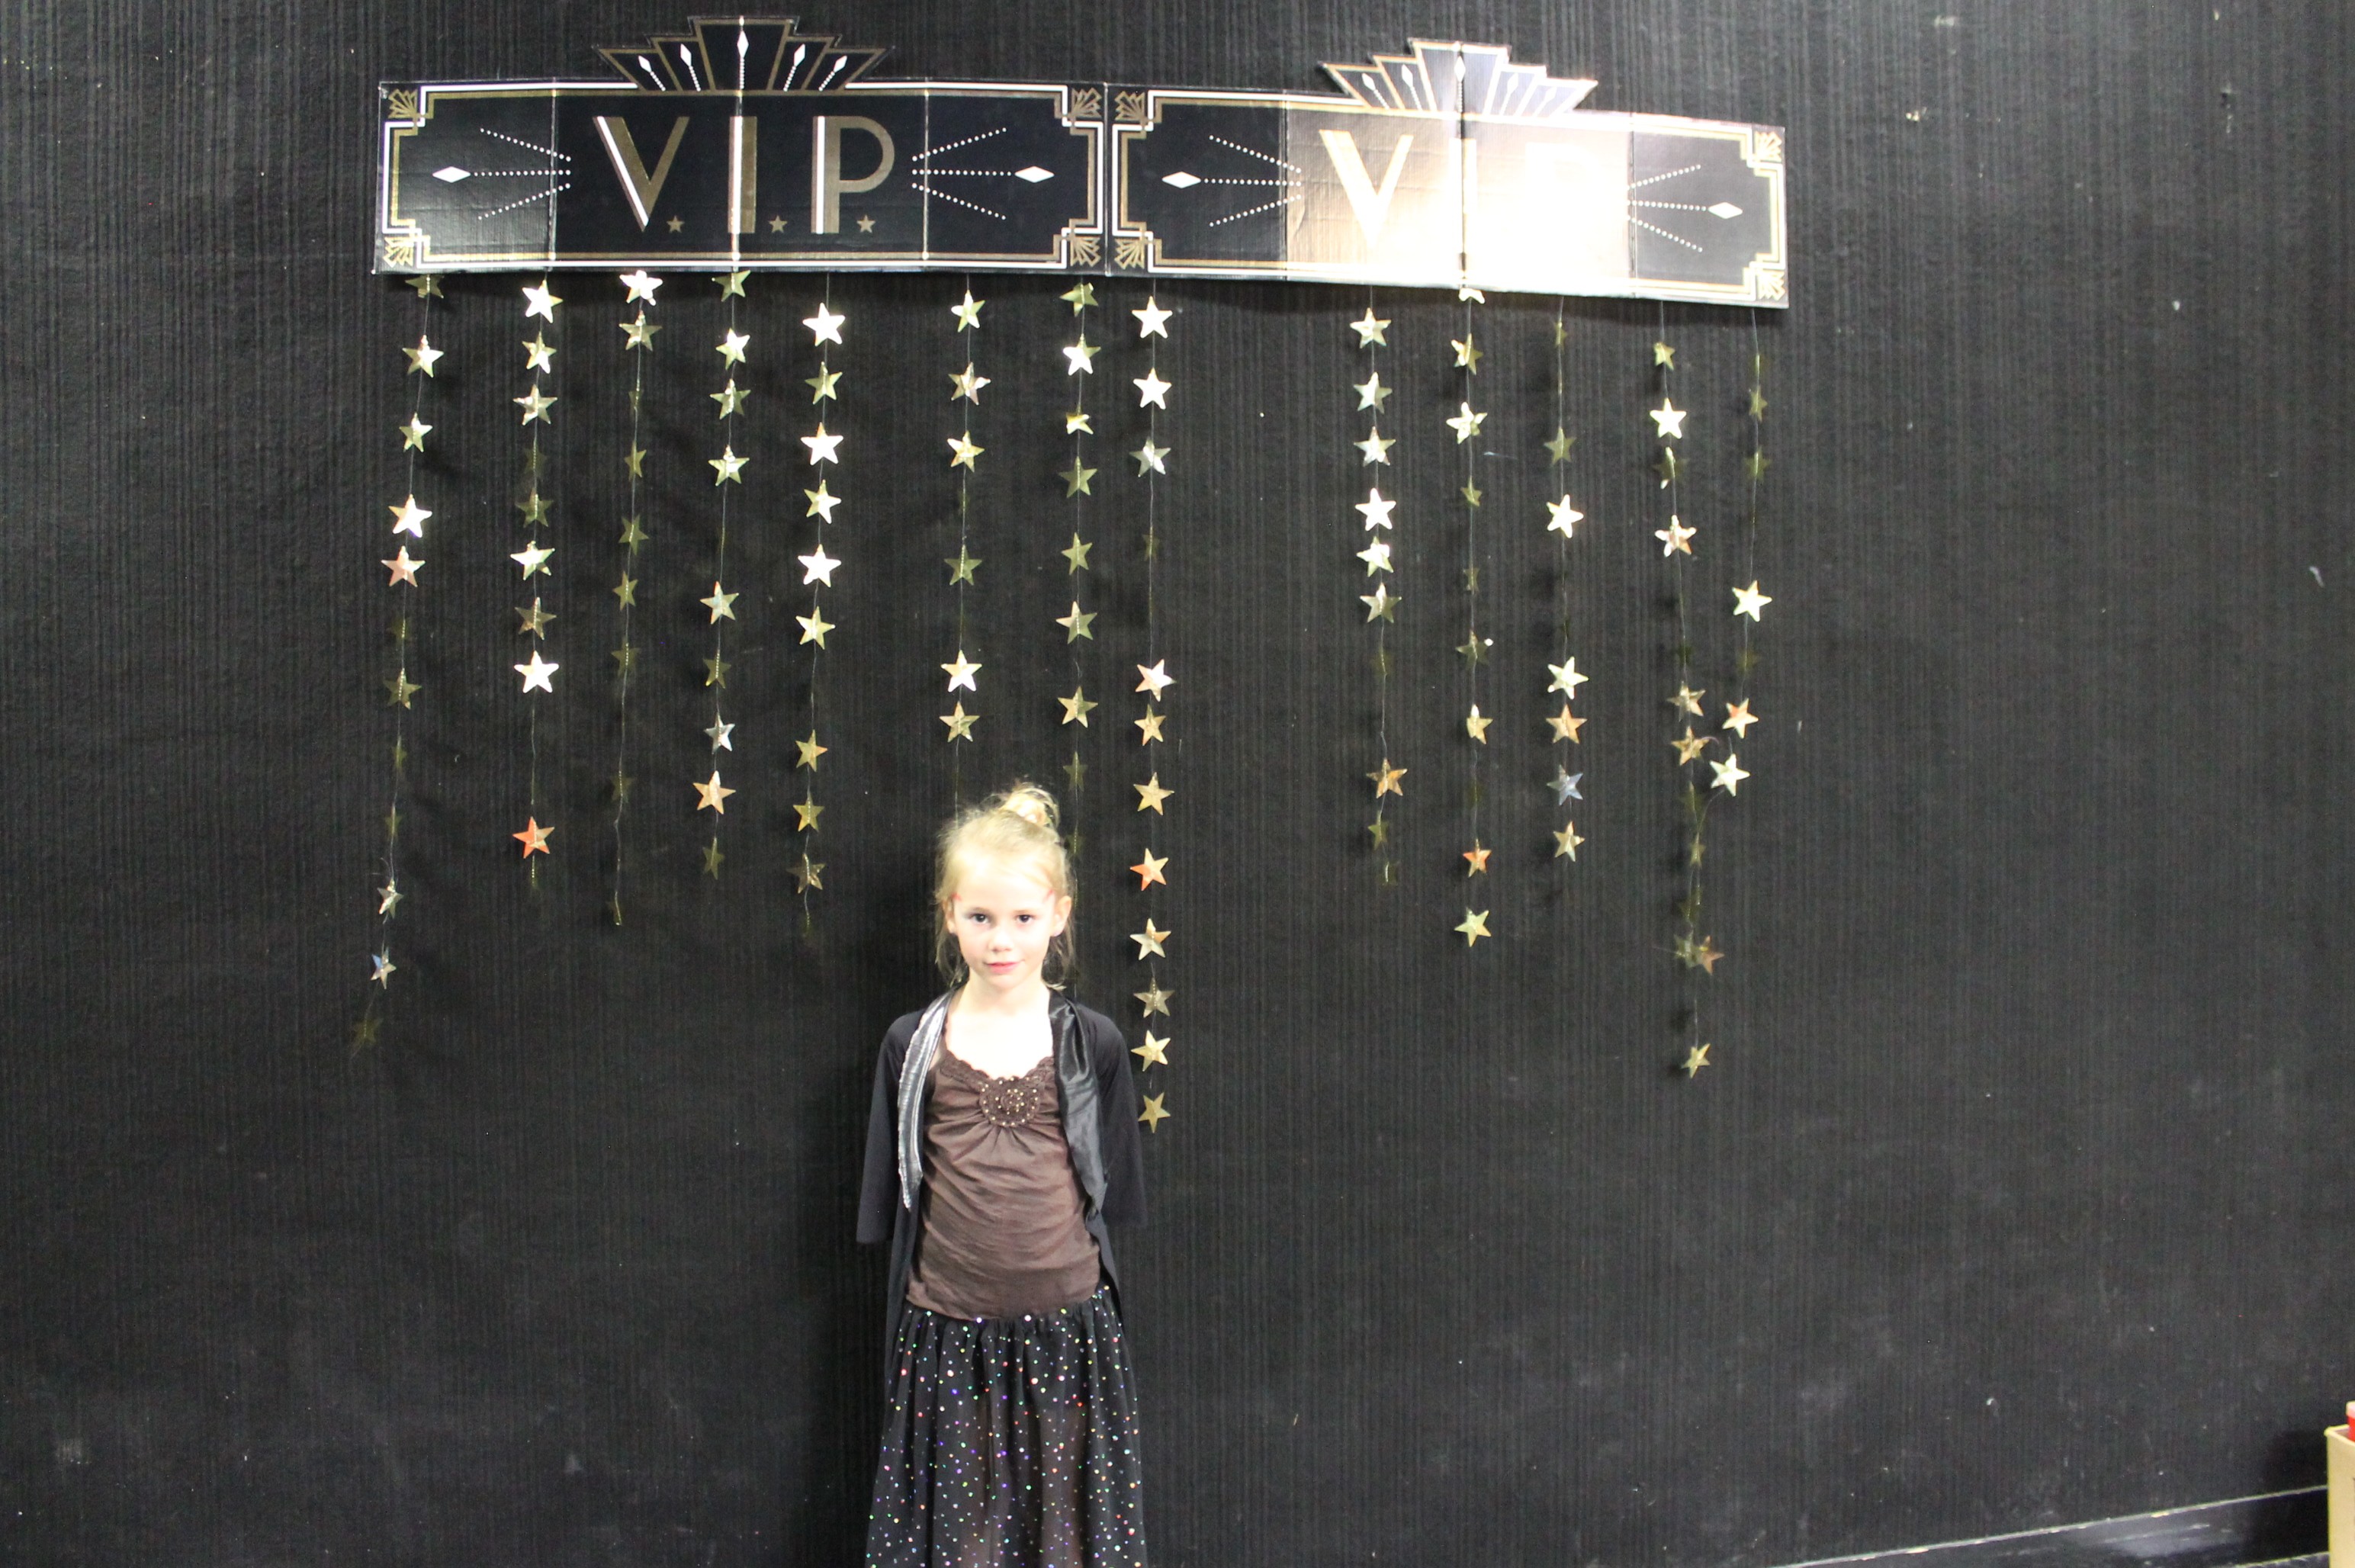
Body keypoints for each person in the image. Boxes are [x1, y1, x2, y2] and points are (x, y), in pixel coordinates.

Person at [857, 782, 1150, 1567]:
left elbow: (1111, 1187)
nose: (1001, 940)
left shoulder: (1094, 1041)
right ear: (950, 914)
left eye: (1023, 917)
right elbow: (890, 1193)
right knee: (964, 1537)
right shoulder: (912, 1043)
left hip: (1067, 1332)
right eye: (981, 917)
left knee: (1064, 1529)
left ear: (1059, 915)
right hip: (949, 1332)